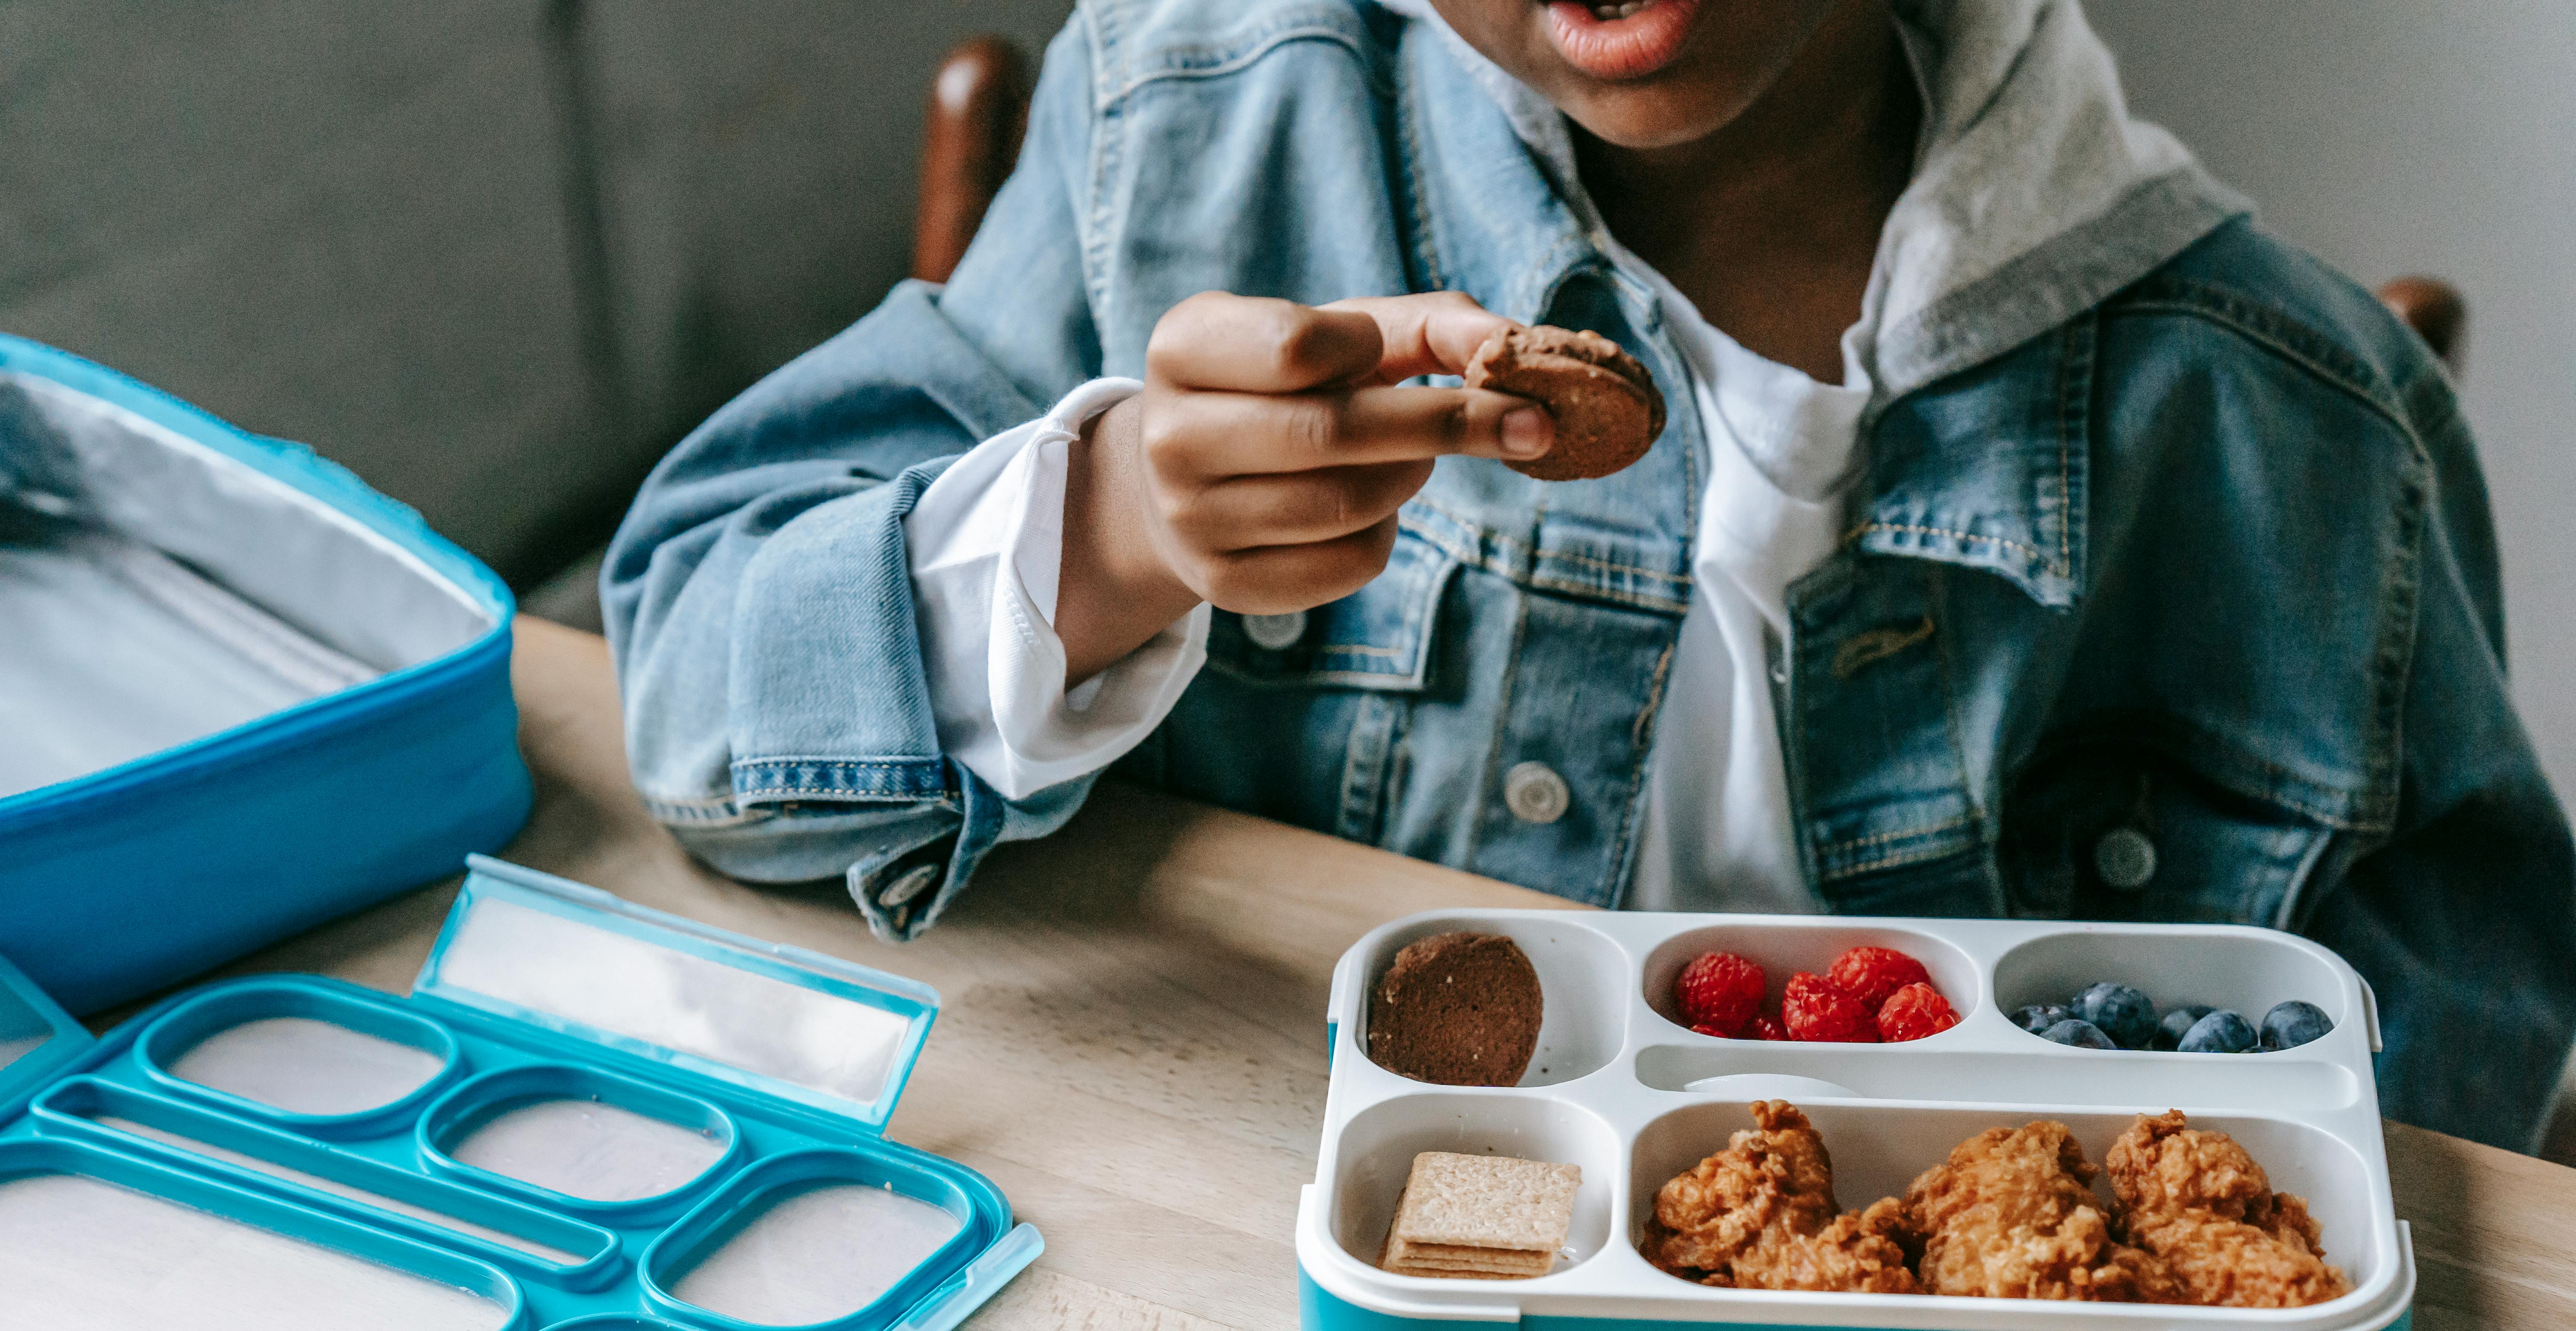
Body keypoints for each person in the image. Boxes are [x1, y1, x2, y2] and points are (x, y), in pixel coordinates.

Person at [601, 0, 2576, 1150]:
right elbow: (689, 693)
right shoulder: (1192, 136)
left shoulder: (2289, 424)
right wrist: (1106, 528)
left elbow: (2471, 1099)